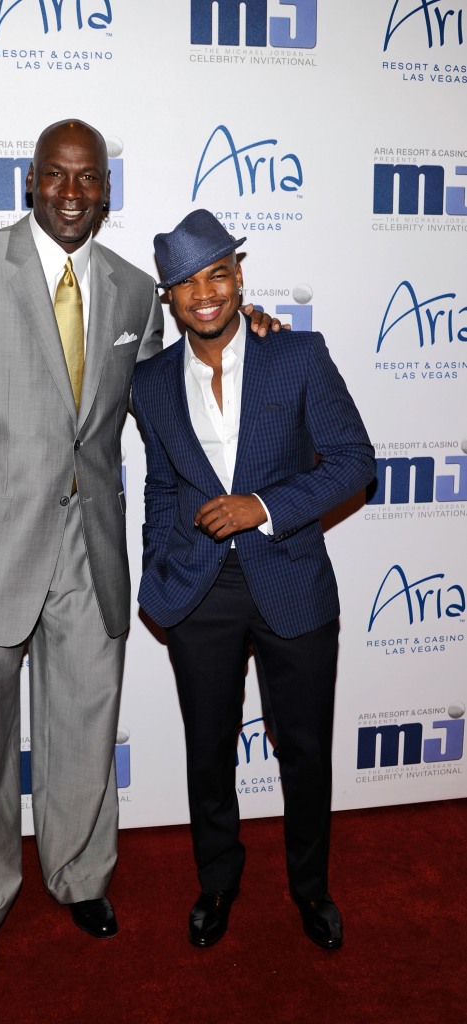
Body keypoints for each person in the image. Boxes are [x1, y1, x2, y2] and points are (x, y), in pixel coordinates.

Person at [0, 120, 283, 989]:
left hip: (91, 551)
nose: (72, 193)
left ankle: (78, 876)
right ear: (30, 181)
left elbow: (177, 374)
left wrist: (241, 333)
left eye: (89, 179)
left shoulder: (135, 289)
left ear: (106, 190)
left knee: (80, 730)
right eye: (56, 177)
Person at [131, 209, 375, 952]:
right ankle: (217, 883)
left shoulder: (295, 354)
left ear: (238, 279)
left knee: (302, 749)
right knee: (207, 750)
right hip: (198, 591)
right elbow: (162, 489)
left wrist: (261, 508)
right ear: (168, 298)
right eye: (185, 283)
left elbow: (353, 462)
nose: (203, 293)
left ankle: (309, 888)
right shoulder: (147, 382)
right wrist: (154, 573)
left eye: (216, 275)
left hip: (290, 580)